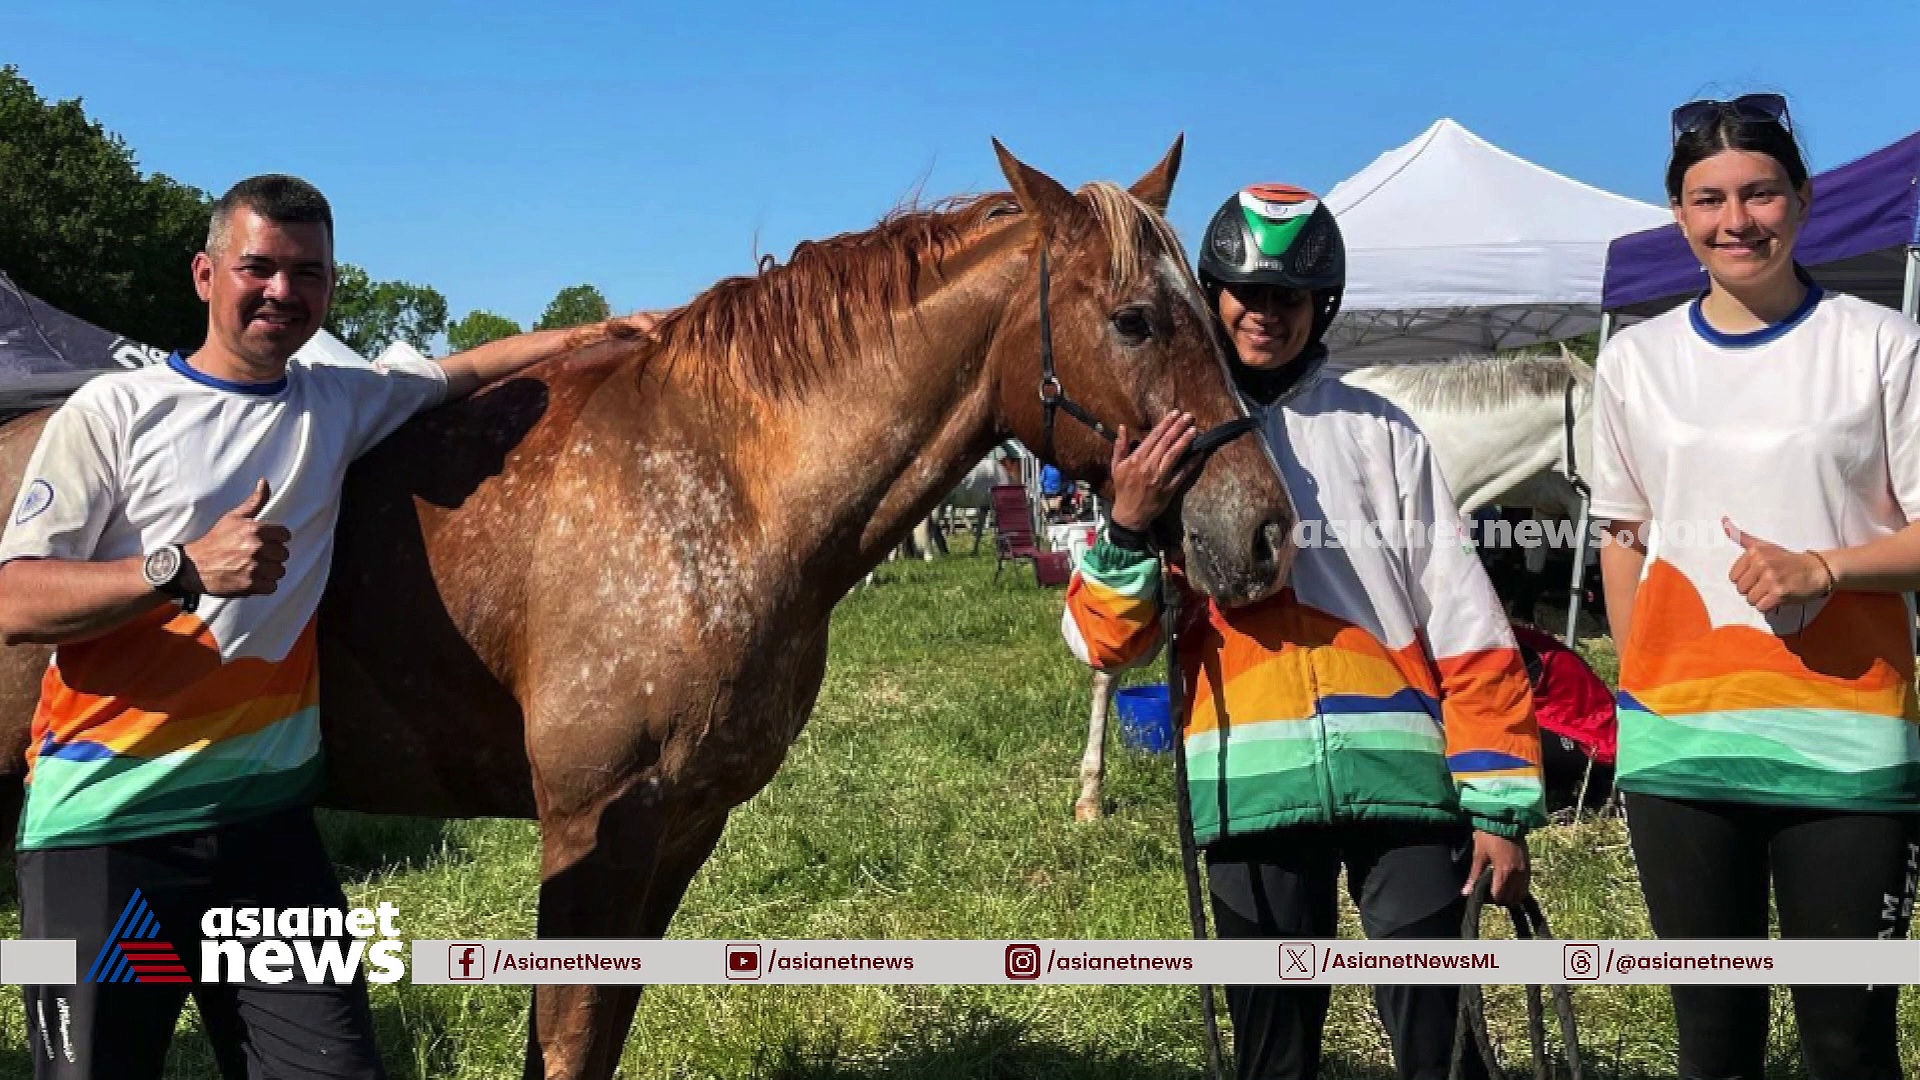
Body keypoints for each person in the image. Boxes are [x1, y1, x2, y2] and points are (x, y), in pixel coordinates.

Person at [0, 174, 661, 1079]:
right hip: (108, 838)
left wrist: (597, 333)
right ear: (204, 274)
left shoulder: (340, 400)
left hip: (266, 841)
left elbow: (466, 368)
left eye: (307, 273)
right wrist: (180, 569)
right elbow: (15, 601)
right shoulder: (112, 413)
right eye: (258, 267)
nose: (282, 291)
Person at [1062, 184, 1547, 1080]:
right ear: (1211, 296)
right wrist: (1128, 526)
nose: (1266, 314)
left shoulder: (1381, 430)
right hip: (1249, 787)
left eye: (1290, 296)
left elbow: (1465, 619)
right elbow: (1103, 645)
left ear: (1320, 304)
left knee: (1446, 1051)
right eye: (1247, 292)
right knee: (1273, 1060)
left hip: (1404, 785)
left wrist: (1499, 801)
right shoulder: (1162, 444)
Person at [1589, 94, 1920, 1080]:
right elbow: (1624, 537)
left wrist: (1828, 567)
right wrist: (1642, 694)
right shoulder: (1634, 362)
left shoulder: (1879, 346)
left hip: (1847, 742)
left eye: (1761, 192)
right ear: (1680, 215)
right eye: (1709, 199)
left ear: (1803, 201)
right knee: (1713, 1042)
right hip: (1680, 749)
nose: (1738, 220)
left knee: (1848, 1040)